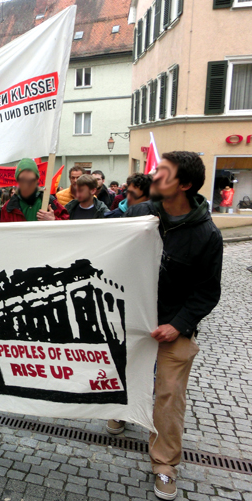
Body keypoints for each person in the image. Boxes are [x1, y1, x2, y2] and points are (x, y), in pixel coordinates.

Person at [107, 151, 223, 501]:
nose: (153, 177)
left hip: (174, 326)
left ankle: (165, 464)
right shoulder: (143, 213)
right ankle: (123, 411)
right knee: (123, 372)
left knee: (169, 393)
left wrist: (178, 325)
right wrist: (61, 222)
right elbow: (105, 236)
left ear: (184, 185)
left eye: (163, 173)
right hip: (135, 320)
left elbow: (207, 293)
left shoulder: (207, 235)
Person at [0, 158, 68, 222]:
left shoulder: (50, 202)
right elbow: (3, 232)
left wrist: (53, 220)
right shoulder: (8, 208)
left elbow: (68, 227)